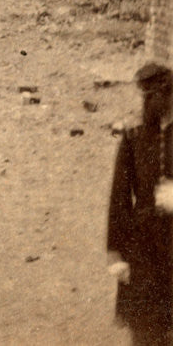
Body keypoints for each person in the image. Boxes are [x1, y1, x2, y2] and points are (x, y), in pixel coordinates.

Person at [107, 61, 173, 345]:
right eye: (145, 98)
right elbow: (119, 197)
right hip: (143, 245)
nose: (148, 105)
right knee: (145, 329)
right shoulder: (133, 136)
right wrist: (116, 252)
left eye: (155, 97)